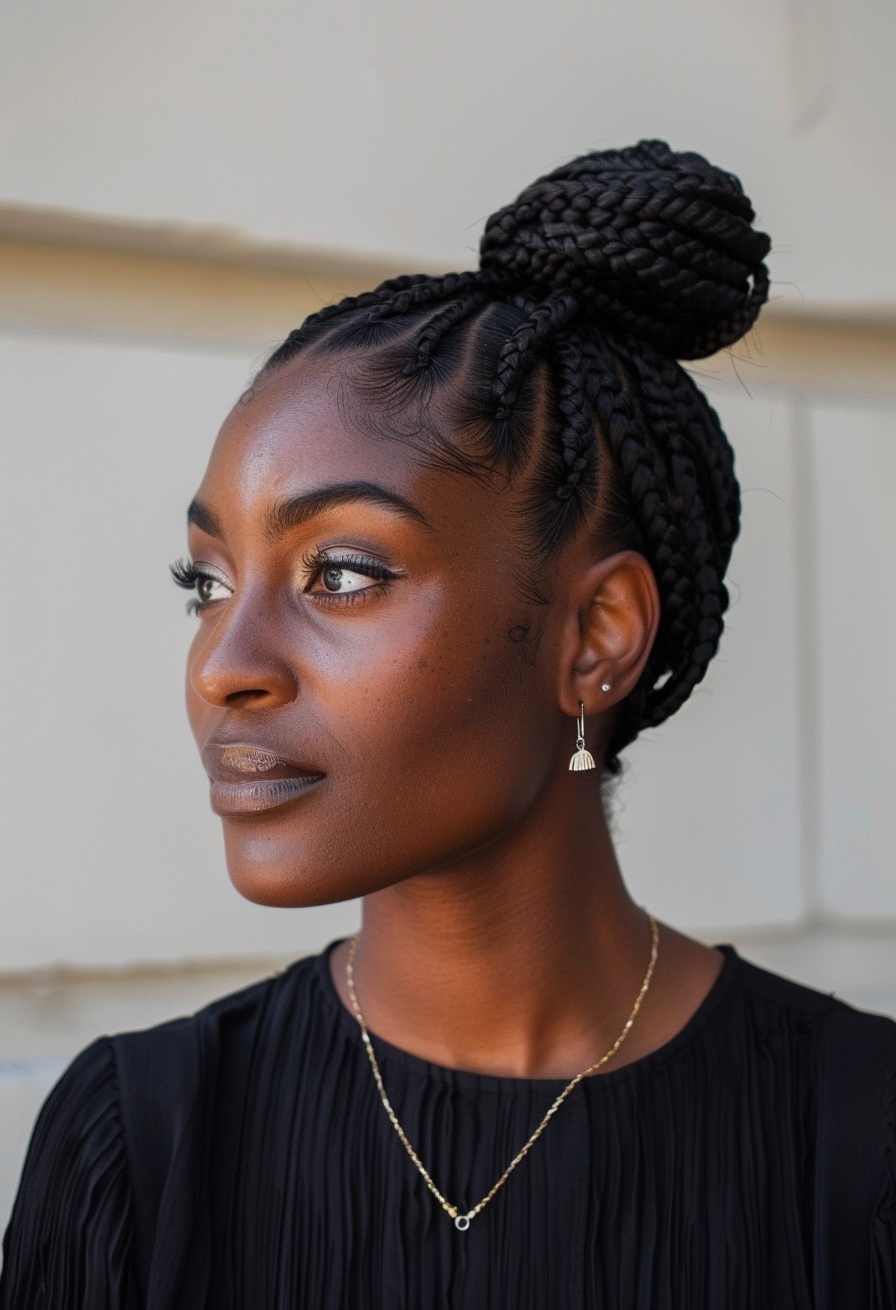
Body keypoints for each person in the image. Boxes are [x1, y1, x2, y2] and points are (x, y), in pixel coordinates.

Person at [1, 138, 894, 1309]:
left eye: (342, 573)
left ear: (595, 634)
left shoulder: (860, 1146)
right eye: (206, 584)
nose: (223, 663)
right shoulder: (136, 1149)